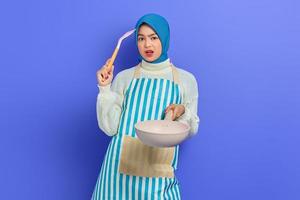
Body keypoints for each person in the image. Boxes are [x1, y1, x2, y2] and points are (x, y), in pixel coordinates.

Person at [92, 13, 200, 200]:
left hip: (157, 170)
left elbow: (192, 129)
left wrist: (182, 112)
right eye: (141, 39)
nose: (147, 45)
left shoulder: (185, 80)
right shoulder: (124, 77)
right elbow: (110, 128)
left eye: (153, 38)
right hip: (117, 175)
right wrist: (105, 88)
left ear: (164, 38)